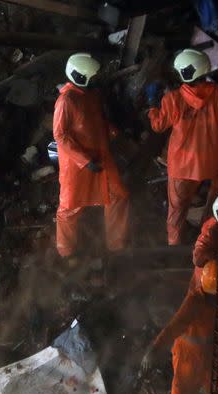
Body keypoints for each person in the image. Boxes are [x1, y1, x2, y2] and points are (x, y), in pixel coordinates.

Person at [147, 49, 218, 245]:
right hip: (212, 164)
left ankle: (174, 245)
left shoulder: (172, 100)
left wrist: (153, 105)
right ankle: (206, 237)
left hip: (181, 167)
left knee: (177, 211)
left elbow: (158, 126)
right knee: (215, 204)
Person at [53, 53, 129, 261]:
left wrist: (113, 132)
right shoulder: (66, 101)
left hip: (101, 157)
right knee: (69, 208)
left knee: (118, 195)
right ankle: (66, 252)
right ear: (80, 77)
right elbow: (60, 136)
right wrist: (84, 160)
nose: (97, 80)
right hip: (77, 166)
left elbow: (97, 121)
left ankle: (115, 246)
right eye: (93, 77)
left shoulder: (91, 95)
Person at [141, 260, 218, 394]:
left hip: (211, 352)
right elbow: (174, 326)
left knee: (216, 388)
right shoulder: (195, 302)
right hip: (189, 355)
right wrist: (154, 349)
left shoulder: (208, 277)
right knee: (182, 391)